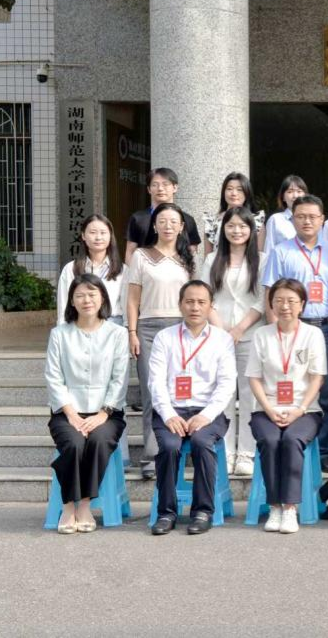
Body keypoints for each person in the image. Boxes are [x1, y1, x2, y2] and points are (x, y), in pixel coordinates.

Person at [147, 281, 236, 535]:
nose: (195, 307)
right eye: (189, 301)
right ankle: (166, 513)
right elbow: (156, 381)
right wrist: (168, 415)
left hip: (208, 411)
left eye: (201, 302)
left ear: (210, 306)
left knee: (201, 443)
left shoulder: (222, 339)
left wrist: (206, 415)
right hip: (171, 410)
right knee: (169, 446)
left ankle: (203, 511)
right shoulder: (165, 337)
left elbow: (227, 383)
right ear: (180, 305)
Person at [261, 194, 328, 473]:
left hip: (326, 327)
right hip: (292, 327)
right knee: (292, 386)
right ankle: (293, 446)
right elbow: (270, 292)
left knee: (326, 392)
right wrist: (275, 329)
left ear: (322, 220)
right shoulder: (281, 251)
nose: (307, 221)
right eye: (301, 216)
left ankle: (324, 451)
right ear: (292, 219)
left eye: (313, 216)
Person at [44, 274, 129, 534]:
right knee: (73, 443)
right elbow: (53, 377)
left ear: (102, 297)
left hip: (107, 413)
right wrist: (71, 414)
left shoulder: (117, 334)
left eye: (92, 294)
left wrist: (104, 413)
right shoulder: (60, 334)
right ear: (72, 301)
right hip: (67, 412)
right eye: (80, 295)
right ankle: (68, 506)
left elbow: (120, 377)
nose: (86, 300)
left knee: (99, 441)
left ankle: (84, 505)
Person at [246, 278, 327, 534]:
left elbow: (317, 377)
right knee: (270, 441)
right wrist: (269, 410)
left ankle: (290, 508)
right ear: (271, 304)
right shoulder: (261, 335)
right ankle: (274, 507)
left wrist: (299, 409)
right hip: (266, 409)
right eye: (279, 300)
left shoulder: (313, 334)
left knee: (291, 440)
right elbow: (254, 378)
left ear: (302, 304)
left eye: (291, 301)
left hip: (305, 410)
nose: (285, 306)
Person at [125, 202, 193, 479]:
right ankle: (153, 456)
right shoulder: (141, 256)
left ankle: (177, 451)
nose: (168, 226)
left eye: (173, 221)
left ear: (181, 227)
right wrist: (132, 332)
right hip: (148, 329)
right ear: (154, 225)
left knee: (180, 392)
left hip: (181, 329)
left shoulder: (188, 258)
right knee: (152, 393)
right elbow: (132, 299)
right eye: (162, 221)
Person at [204, 207, 266, 476]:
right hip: (219, 336)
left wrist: (240, 328)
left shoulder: (262, 260)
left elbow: (263, 299)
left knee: (251, 395)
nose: (237, 231)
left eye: (242, 226)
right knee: (223, 393)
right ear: (223, 230)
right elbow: (205, 298)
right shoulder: (211, 260)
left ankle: (247, 453)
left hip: (251, 334)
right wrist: (224, 331)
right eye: (231, 226)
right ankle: (226, 451)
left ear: (252, 230)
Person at [56, 214, 124, 327]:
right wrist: (62, 330)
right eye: (93, 232)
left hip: (113, 325)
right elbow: (64, 305)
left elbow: (127, 306)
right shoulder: (71, 269)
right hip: (80, 325)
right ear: (83, 235)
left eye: (103, 232)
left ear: (110, 236)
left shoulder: (122, 270)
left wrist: (129, 331)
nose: (98, 237)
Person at [124, 167, 202, 263]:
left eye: (165, 184)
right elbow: (130, 252)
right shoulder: (138, 218)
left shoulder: (187, 220)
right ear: (149, 189)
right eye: (155, 185)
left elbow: (192, 253)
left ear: (175, 188)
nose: (160, 189)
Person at [201, 172, 265, 255]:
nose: (234, 193)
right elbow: (207, 256)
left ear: (247, 193)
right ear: (223, 192)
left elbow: (259, 256)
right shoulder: (212, 221)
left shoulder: (256, 221)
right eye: (229, 189)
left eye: (239, 189)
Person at [262, 174, 309, 254]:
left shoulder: (313, 219)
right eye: (290, 192)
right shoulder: (275, 220)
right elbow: (269, 250)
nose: (295, 196)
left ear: (305, 195)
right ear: (283, 197)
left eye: (299, 191)